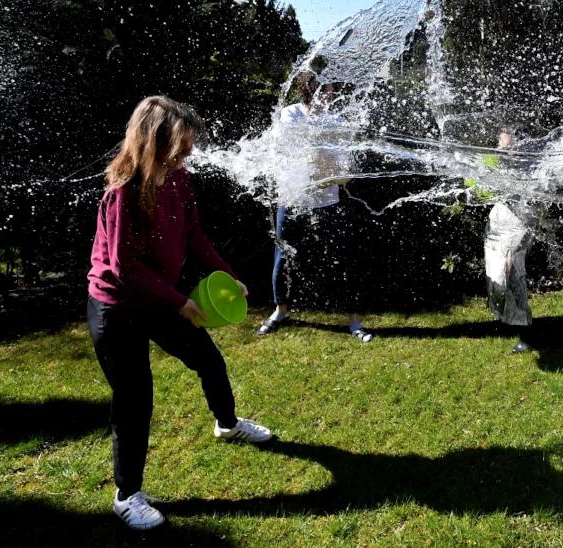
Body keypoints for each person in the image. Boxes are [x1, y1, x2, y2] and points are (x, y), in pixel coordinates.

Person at [87, 96, 273, 531]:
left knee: (208, 360)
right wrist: (181, 302)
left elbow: (192, 233)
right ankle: (126, 495)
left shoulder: (178, 178)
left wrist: (227, 273)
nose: (187, 155)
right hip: (117, 308)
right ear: (154, 142)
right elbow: (124, 266)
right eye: (180, 147)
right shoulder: (123, 192)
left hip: (159, 299)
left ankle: (227, 425)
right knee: (135, 400)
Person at [259, 74, 371, 341]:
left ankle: (353, 320)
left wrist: (332, 166)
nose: (329, 97)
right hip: (294, 200)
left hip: (328, 202)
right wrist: (325, 158)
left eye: (331, 91)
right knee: (283, 257)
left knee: (342, 259)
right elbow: (299, 149)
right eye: (324, 91)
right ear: (309, 90)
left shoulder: (337, 121)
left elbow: (344, 171)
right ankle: (281, 310)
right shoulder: (291, 115)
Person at [483, 128, 543, 353]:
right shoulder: (490, 160)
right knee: (496, 278)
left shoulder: (532, 162)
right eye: (502, 147)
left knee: (511, 272)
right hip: (500, 220)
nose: (507, 151)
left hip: (523, 219)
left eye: (511, 147)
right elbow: (477, 188)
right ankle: (511, 319)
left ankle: (526, 334)